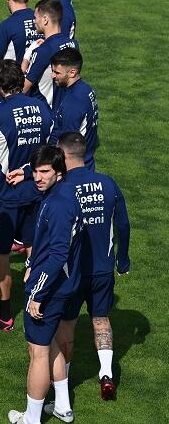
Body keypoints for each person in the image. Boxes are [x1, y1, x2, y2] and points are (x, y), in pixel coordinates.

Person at [48, 132, 130, 407]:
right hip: (103, 269)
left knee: (66, 325)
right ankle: (106, 373)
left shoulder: (61, 188)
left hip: (72, 271)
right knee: (100, 319)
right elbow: (123, 225)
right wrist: (124, 259)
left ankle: (63, 385)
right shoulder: (107, 183)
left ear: (64, 155)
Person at [0, 60, 52, 332]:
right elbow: (51, 148)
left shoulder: (0, 115)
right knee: (35, 245)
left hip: (7, 194)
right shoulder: (42, 108)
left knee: (1, 254)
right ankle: (37, 302)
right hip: (39, 189)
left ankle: (5, 315)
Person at [8, 145, 82, 424]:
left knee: (37, 352)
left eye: (44, 172)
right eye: (35, 171)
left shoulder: (59, 204)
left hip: (50, 288)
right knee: (50, 344)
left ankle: (32, 418)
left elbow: (58, 254)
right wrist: (29, 265)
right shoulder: (60, 193)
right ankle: (62, 406)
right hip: (61, 284)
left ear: (59, 172)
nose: (37, 177)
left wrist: (37, 292)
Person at [22, 0, 78, 110]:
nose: (34, 21)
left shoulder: (44, 50)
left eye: (35, 17)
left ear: (45, 20)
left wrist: (27, 57)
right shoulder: (73, 44)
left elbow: (23, 88)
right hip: (65, 109)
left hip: (45, 113)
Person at [47, 48, 98, 168]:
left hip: (73, 167)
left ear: (72, 72)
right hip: (86, 161)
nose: (52, 76)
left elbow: (67, 144)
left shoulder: (74, 102)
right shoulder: (86, 89)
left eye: (57, 73)